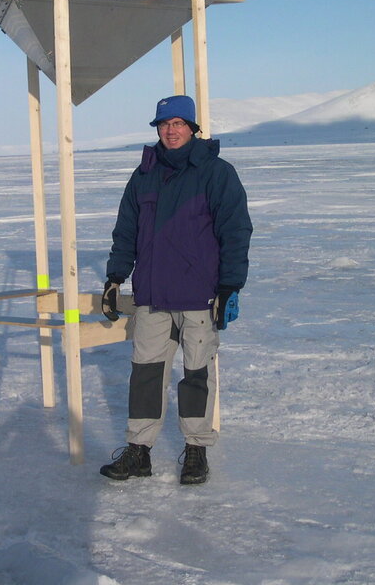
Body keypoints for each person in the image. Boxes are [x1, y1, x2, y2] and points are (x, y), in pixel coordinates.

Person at [99, 94, 252, 485]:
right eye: (164, 125)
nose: (171, 131)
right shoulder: (144, 174)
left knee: (196, 374)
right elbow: (126, 231)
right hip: (152, 295)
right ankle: (139, 451)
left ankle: (196, 451)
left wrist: (230, 286)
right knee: (145, 374)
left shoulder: (216, 173)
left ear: (192, 128)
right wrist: (116, 277)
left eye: (179, 124)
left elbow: (235, 231)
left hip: (198, 295)